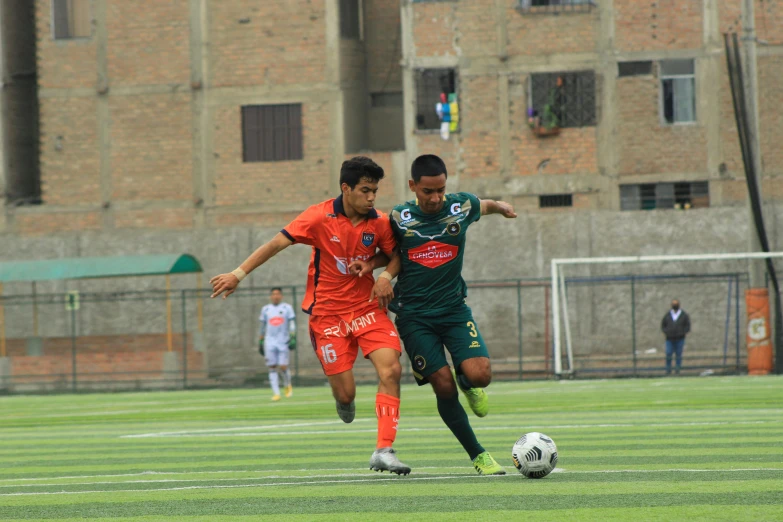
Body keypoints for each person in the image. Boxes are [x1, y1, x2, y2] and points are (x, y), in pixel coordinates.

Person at [210, 156, 410, 475]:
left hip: (367, 310)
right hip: (327, 317)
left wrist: (379, 272)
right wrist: (238, 273)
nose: (372, 197)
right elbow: (276, 244)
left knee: (392, 370)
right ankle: (343, 401)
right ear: (346, 188)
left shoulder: (380, 222)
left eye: (375, 191)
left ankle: (384, 449)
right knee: (347, 393)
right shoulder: (318, 217)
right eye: (365, 190)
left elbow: (395, 254)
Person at [357, 154, 517, 475]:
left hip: (455, 310)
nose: (435, 198)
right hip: (415, 317)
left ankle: (467, 382)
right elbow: (391, 252)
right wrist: (378, 271)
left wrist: (499, 206)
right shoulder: (399, 217)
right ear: (413, 186)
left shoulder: (461, 206)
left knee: (480, 374)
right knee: (442, 387)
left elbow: (482, 205)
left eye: (441, 190)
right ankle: (479, 455)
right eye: (428, 191)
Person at [258, 287, 297, 401]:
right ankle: (276, 393)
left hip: (283, 341)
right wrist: (260, 340)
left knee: (283, 366)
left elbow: (292, 323)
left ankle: (287, 385)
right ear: (271, 296)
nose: (276, 296)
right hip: (269, 341)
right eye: (273, 294)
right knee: (272, 366)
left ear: (281, 296)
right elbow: (262, 326)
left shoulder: (287, 308)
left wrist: (293, 336)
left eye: (278, 294)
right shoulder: (266, 309)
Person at [661, 299, 691, 375]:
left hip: (680, 339)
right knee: (668, 353)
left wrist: (683, 332)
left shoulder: (683, 315)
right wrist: (667, 332)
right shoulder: (668, 315)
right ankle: (668, 370)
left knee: (678, 354)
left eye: (676, 304)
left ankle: (677, 370)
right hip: (669, 339)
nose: (675, 305)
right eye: (673, 304)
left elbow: (687, 325)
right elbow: (663, 325)